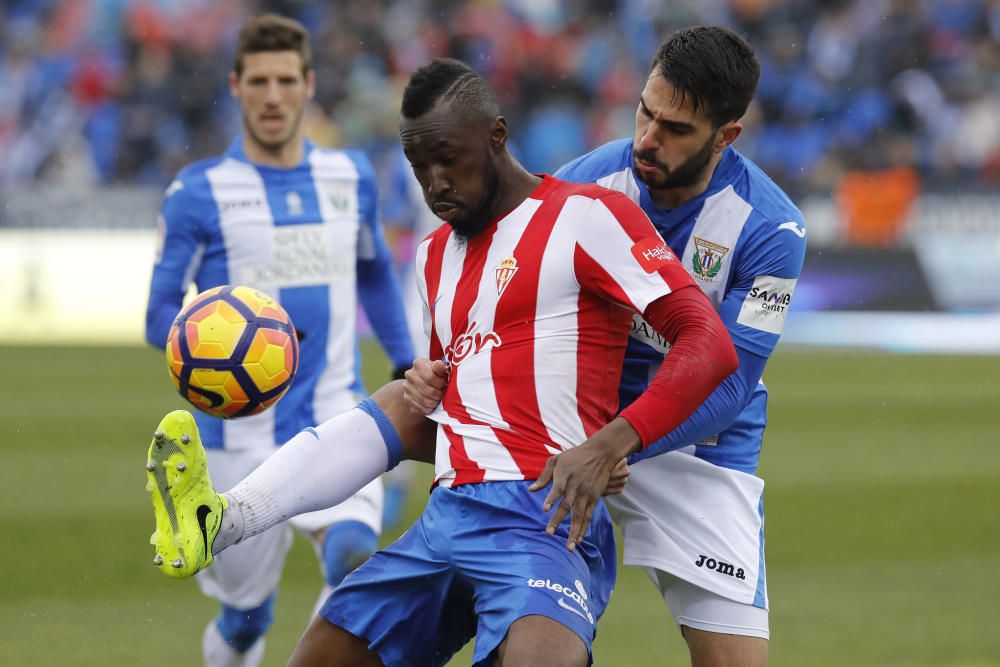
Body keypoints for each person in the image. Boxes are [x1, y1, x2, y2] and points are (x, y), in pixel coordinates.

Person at [145, 57, 737, 666]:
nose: (435, 183)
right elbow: (472, 402)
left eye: (448, 159)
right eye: (419, 167)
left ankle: (228, 517)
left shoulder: (587, 216)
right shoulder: (433, 258)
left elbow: (708, 342)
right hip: (448, 515)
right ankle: (222, 518)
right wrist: (436, 384)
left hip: (543, 517)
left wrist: (612, 442)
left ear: (497, 137)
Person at [144, 15, 414, 667]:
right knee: (245, 618)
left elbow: (375, 268)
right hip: (237, 440)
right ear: (235, 86)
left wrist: (406, 361)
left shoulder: (350, 176)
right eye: (258, 80)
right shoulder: (198, 192)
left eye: (285, 80)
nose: (272, 95)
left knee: (352, 557)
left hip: (335, 413)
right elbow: (158, 317)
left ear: (308, 85)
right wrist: (214, 338)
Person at [550, 25, 807, 666]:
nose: (646, 138)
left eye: (675, 129)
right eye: (644, 111)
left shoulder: (771, 230)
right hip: (577, 427)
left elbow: (730, 384)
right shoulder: (585, 183)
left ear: (726, 137)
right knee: (518, 635)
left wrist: (619, 442)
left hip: (695, 447)